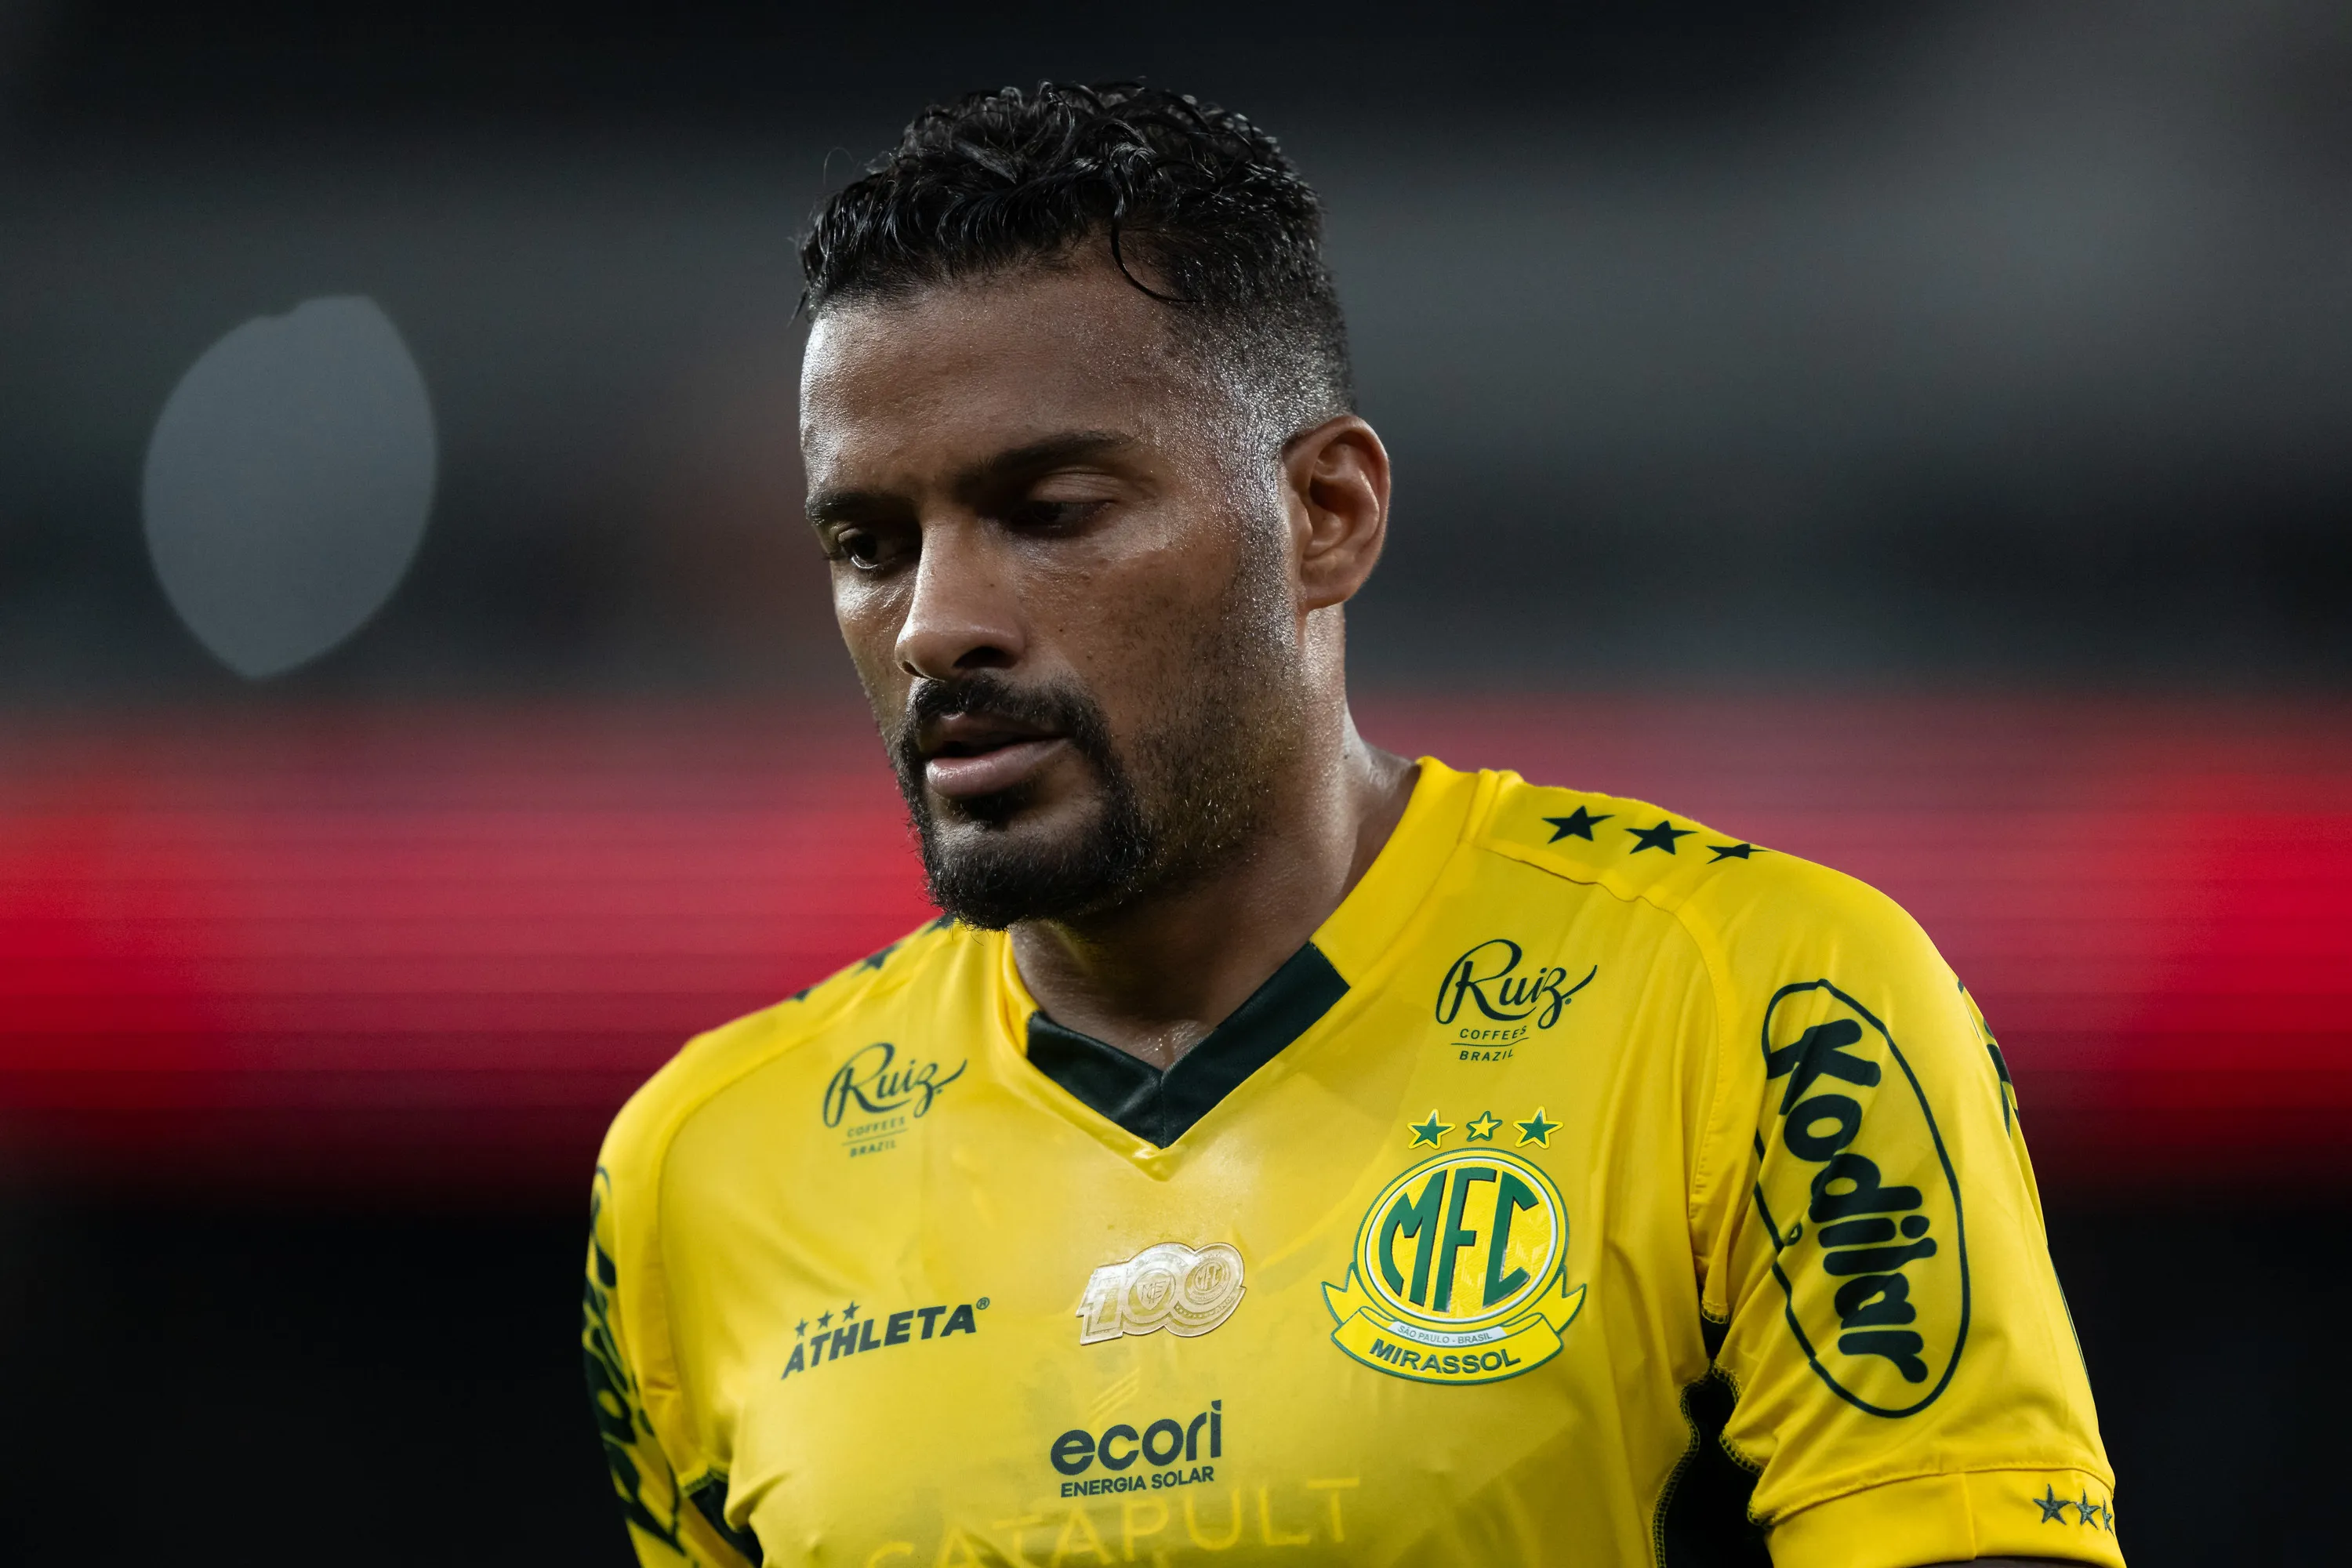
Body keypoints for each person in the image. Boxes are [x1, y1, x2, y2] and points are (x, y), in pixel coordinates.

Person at [583, 83, 2120, 1568]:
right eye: (870, 542)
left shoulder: (1760, 1007)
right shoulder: (700, 1173)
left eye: (1052, 511)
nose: (934, 625)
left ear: (1328, 514)